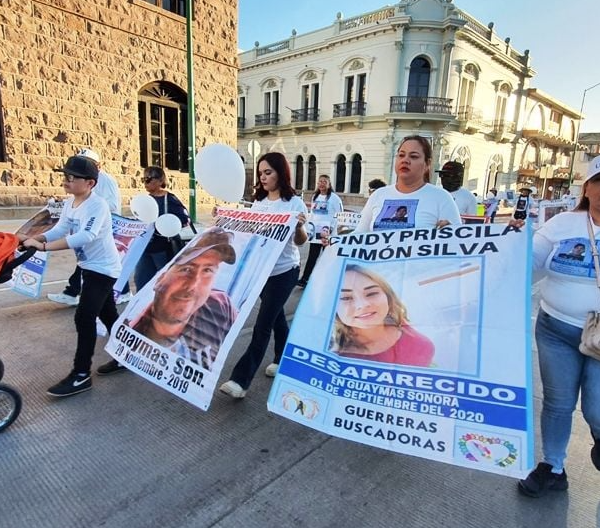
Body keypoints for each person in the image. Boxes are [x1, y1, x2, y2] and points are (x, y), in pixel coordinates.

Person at [518, 156, 600, 498]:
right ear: (588, 187)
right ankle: (553, 466)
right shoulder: (564, 223)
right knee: (557, 402)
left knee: (596, 409)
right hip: (555, 331)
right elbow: (529, 260)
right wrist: (508, 243)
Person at [20, 156, 121, 397]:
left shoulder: (98, 205)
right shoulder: (70, 203)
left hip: (104, 269)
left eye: (72, 177)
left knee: (84, 318)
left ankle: (81, 375)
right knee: (108, 315)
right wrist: (37, 238)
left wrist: (44, 248)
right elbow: (60, 229)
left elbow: (86, 236)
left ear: (90, 183)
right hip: (89, 266)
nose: (67, 180)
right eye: (65, 176)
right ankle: (125, 355)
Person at [220, 152, 308, 399]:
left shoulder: (294, 204)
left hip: (285, 272)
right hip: (261, 271)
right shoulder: (258, 203)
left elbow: (302, 241)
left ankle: (240, 380)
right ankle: (283, 359)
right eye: (260, 173)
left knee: (263, 323)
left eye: (268, 172)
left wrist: (299, 226)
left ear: (281, 172)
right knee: (276, 318)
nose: (263, 177)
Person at [98, 227, 238, 374]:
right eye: (187, 269)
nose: (193, 285)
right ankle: (123, 359)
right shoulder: (135, 323)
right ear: (160, 279)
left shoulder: (221, 304)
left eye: (208, 270)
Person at [48, 148, 125, 306]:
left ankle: (72, 291)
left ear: (98, 166)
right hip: (89, 244)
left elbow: (112, 205)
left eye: (87, 163)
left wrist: (91, 205)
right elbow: (61, 229)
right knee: (106, 308)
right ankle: (75, 291)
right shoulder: (73, 199)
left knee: (85, 315)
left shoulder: (104, 185)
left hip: (104, 228)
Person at [330, 264, 434, 367]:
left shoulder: (399, 323)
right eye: (346, 298)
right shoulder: (329, 351)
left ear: (388, 297)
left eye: (371, 293)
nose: (362, 305)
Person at [356, 135, 461, 232]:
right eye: (401, 155)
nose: (405, 160)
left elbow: (457, 244)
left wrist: (449, 232)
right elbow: (358, 235)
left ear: (427, 164)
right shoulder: (378, 195)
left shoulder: (441, 198)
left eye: (413, 156)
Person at [134, 166, 190, 291]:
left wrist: (165, 223)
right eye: (144, 179)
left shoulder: (169, 199)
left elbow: (185, 219)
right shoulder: (145, 199)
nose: (145, 182)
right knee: (141, 281)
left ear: (160, 180)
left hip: (164, 247)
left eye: (149, 179)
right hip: (145, 246)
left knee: (167, 283)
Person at [298, 175, 343, 288]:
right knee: (312, 256)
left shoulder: (334, 198)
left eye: (325, 182)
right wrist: (309, 227)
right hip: (315, 232)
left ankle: (329, 280)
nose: (322, 184)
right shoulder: (315, 196)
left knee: (328, 257)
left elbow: (339, 215)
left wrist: (332, 228)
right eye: (320, 182)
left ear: (329, 184)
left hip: (328, 233)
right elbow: (313, 214)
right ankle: (305, 279)